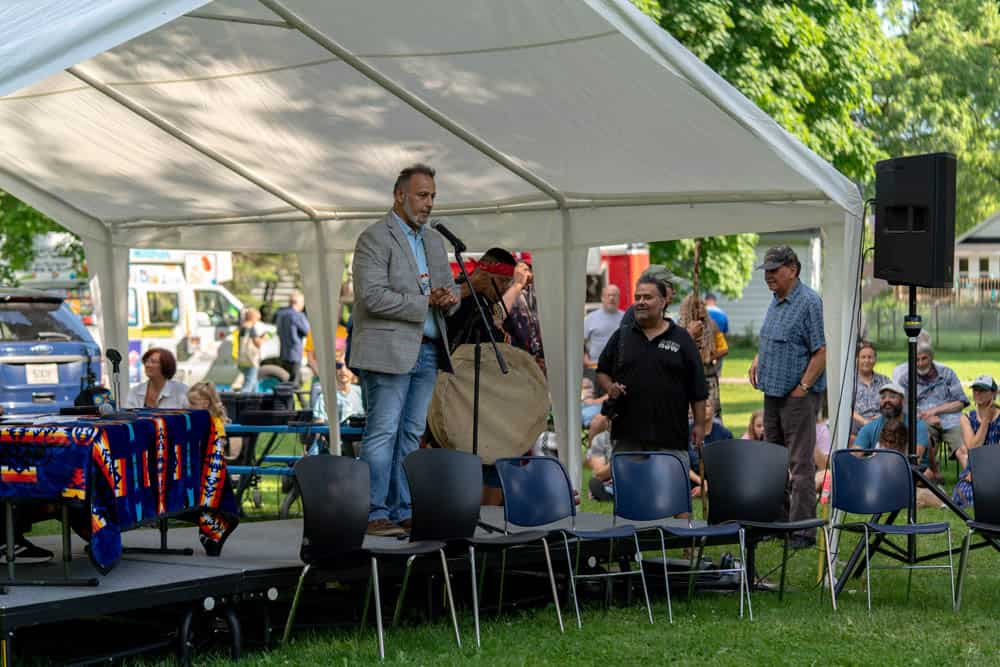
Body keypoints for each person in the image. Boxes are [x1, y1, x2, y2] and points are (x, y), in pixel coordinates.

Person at [350, 163, 458, 537]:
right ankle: (373, 512)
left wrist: (448, 298)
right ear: (400, 195)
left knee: (411, 433)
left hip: (428, 349)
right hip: (387, 351)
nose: (428, 203)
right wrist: (425, 301)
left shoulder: (434, 241)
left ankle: (402, 508)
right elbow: (372, 296)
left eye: (432, 196)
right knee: (383, 431)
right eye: (422, 195)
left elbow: (450, 292)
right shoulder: (374, 238)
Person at [748, 245, 826, 549]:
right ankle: (777, 523)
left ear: (793, 269)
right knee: (773, 460)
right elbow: (773, 338)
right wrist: (758, 358)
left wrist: (803, 387)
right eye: (766, 270)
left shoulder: (808, 302)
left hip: (797, 398)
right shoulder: (775, 300)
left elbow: (821, 351)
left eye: (774, 270)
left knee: (800, 463)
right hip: (773, 392)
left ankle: (803, 531)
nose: (768, 276)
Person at [596, 274, 707, 463]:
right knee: (629, 490)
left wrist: (699, 424)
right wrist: (610, 388)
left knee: (668, 491)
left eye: (647, 297)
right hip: (628, 436)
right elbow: (602, 371)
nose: (641, 302)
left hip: (670, 437)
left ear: (663, 302)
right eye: (637, 297)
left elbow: (697, 388)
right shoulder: (622, 336)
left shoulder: (682, 339)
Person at [895, 341, 968, 482]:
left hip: (951, 420)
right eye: (917, 359)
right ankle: (933, 476)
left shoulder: (947, 373)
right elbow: (904, 408)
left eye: (924, 358)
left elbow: (961, 402)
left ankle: (973, 483)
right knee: (924, 436)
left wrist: (936, 410)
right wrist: (923, 417)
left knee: (962, 450)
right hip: (923, 420)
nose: (920, 363)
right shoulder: (906, 379)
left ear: (931, 357)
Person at [953, 375, 1000, 507]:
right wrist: (986, 420)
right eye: (975, 389)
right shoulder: (966, 418)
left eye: (983, 390)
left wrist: (984, 474)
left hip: (996, 471)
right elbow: (974, 448)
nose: (978, 393)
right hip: (974, 471)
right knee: (962, 493)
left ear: (993, 393)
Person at [853, 382, 931, 461]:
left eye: (892, 397)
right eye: (883, 397)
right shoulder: (870, 427)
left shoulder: (917, 426)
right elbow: (854, 456)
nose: (887, 400)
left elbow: (914, 461)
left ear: (902, 400)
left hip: (911, 471)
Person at [852, 341, 890, 437]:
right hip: (857, 424)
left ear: (875, 359)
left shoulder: (884, 381)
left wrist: (881, 417)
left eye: (870, 357)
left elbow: (894, 403)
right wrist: (864, 421)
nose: (867, 361)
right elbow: (846, 409)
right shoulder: (849, 382)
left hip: (882, 422)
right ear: (857, 359)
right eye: (863, 357)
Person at [274, 291, 310, 386]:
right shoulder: (298, 315)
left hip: (283, 352)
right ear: (296, 303)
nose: (303, 305)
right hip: (295, 352)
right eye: (302, 302)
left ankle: (292, 400)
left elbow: (277, 331)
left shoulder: (281, 314)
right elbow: (308, 332)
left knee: (286, 380)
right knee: (294, 382)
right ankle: (300, 401)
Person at [583, 285, 623, 368]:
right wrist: (585, 359)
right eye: (608, 295)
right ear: (602, 298)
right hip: (596, 366)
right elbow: (580, 343)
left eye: (615, 295)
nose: (611, 298)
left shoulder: (627, 318)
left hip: (621, 368)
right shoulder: (590, 318)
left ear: (619, 298)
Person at [237, 307, 264, 394]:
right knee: (248, 386)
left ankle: (255, 403)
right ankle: (241, 404)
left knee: (254, 383)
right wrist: (264, 337)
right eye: (257, 319)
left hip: (243, 360)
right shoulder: (251, 328)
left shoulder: (242, 327)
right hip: (251, 360)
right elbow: (258, 343)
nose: (256, 322)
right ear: (253, 317)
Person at [704, 292, 729, 375]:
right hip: (718, 343)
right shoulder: (722, 314)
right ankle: (716, 375)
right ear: (715, 301)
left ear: (705, 300)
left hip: (704, 342)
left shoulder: (702, 311)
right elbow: (725, 332)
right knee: (716, 368)